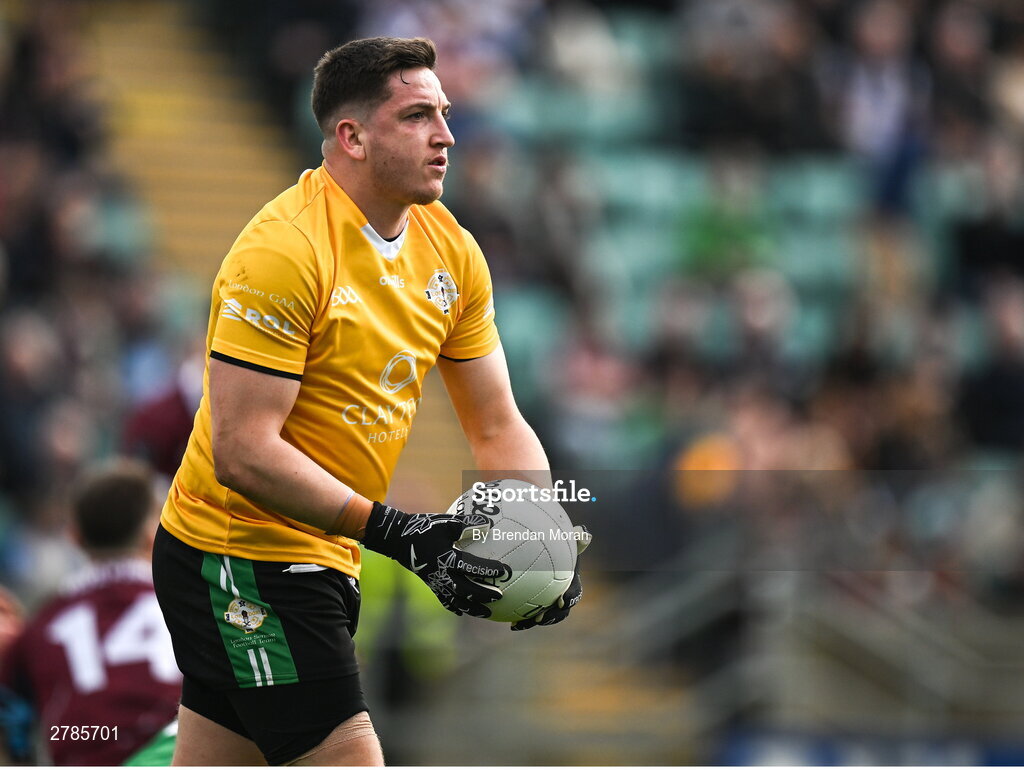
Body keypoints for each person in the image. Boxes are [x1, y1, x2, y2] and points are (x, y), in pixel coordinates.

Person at [152, 36, 588, 766]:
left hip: (320, 556)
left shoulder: (451, 250)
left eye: (445, 113)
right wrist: (401, 534)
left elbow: (497, 424)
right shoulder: (283, 252)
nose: (448, 135)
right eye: (418, 115)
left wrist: (541, 535)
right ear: (351, 136)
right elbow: (242, 451)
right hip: (239, 555)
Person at [0, 458, 181, 766]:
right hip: (173, 752)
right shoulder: (185, 604)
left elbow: (15, 724)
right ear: (154, 536)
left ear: (74, 537)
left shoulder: (42, 625)